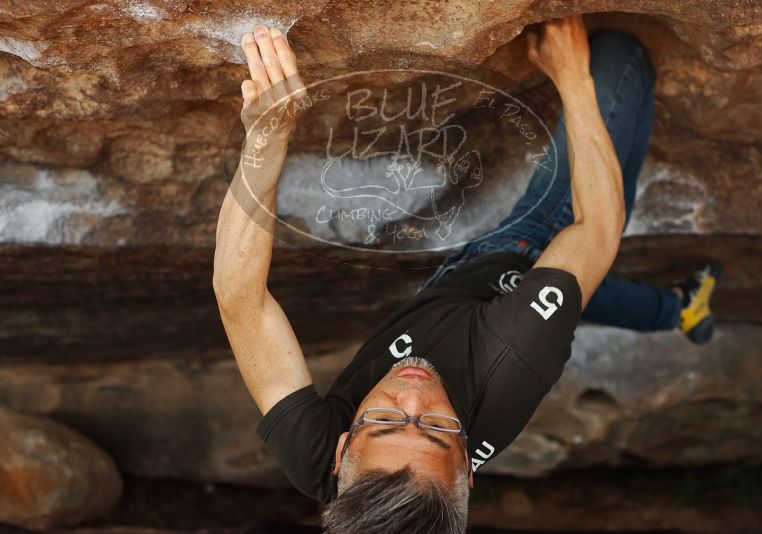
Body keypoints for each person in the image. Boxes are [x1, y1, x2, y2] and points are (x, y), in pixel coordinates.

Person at [212, 16, 721, 534]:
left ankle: (681, 308)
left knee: (572, 300)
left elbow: (239, 299)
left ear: (341, 452)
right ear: (467, 468)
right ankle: (681, 308)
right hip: (528, 252)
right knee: (616, 56)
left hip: (465, 297)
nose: (411, 395)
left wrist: (266, 136)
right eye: (436, 427)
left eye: (384, 422)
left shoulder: (320, 462)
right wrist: (572, 77)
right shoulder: (514, 353)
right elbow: (597, 229)